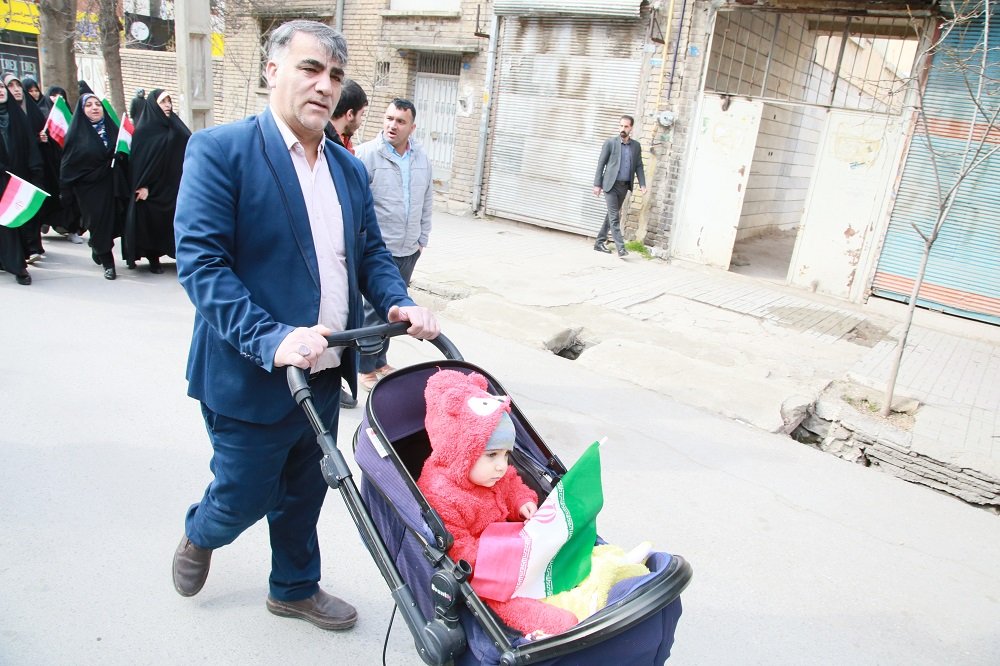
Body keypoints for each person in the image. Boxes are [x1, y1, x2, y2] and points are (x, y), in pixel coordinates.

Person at [170, 19, 439, 632]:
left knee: (306, 490)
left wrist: (396, 302)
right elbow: (202, 266)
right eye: (310, 69)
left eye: (335, 76)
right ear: (273, 71)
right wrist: (272, 338)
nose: (325, 86)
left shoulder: (347, 168)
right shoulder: (221, 152)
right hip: (251, 372)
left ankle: (293, 588)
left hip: (322, 370)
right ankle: (202, 531)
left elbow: (369, 253)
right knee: (244, 495)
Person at [353, 98, 433, 390]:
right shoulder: (365, 155)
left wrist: (422, 238)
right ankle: (363, 367)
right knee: (372, 313)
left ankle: (379, 360)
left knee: (396, 312)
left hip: (409, 247)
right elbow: (357, 206)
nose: (392, 125)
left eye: (400, 121)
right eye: (389, 119)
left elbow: (427, 200)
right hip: (379, 250)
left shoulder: (421, 158)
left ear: (412, 127)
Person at [60, 93, 127, 280]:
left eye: (97, 104)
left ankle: (98, 247)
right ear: (82, 111)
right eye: (88, 105)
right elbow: (68, 165)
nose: (95, 108)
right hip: (89, 190)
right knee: (98, 224)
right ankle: (108, 263)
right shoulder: (76, 134)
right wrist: (65, 191)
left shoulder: (113, 130)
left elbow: (126, 153)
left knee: (112, 224)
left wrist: (120, 157)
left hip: (112, 185)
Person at [123, 89, 190, 273]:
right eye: (163, 102)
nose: (168, 105)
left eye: (169, 101)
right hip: (152, 189)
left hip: (175, 186)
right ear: (153, 105)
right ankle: (153, 258)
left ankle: (181, 256)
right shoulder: (144, 131)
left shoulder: (176, 126)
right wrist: (142, 185)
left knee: (177, 223)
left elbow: (189, 148)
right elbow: (138, 163)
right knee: (153, 223)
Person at [0, 83, 43, 285]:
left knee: (17, 222)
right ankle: (15, 265)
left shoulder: (18, 116)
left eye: (1, 87)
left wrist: (35, 170)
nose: (0, 91)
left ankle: (18, 262)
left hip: (18, 178)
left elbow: (30, 145)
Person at [592, 115, 646, 258]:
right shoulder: (610, 143)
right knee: (615, 216)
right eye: (621, 126)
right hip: (610, 185)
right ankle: (621, 248)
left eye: (626, 126)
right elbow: (601, 163)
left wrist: (642, 184)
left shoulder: (636, 146)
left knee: (611, 215)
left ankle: (599, 242)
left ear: (631, 128)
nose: (623, 129)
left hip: (624, 186)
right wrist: (597, 184)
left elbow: (639, 166)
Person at [324, 79, 367, 154]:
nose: (361, 121)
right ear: (350, 114)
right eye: (361, 115)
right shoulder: (324, 146)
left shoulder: (342, 142)